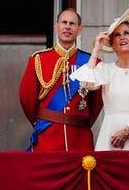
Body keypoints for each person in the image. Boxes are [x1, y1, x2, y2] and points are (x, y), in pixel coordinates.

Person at [70, 2, 129, 151]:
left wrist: (128, 130)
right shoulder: (105, 69)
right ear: (112, 44)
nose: (122, 38)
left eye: (126, 33)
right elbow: (85, 84)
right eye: (117, 35)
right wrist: (96, 50)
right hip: (110, 136)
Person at [19, 8, 103, 151]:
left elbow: (96, 103)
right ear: (56, 27)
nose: (67, 27)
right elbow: (27, 99)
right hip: (48, 138)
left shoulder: (91, 62)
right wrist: (44, 121)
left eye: (72, 23)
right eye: (64, 22)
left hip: (79, 139)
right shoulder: (38, 59)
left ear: (79, 30)